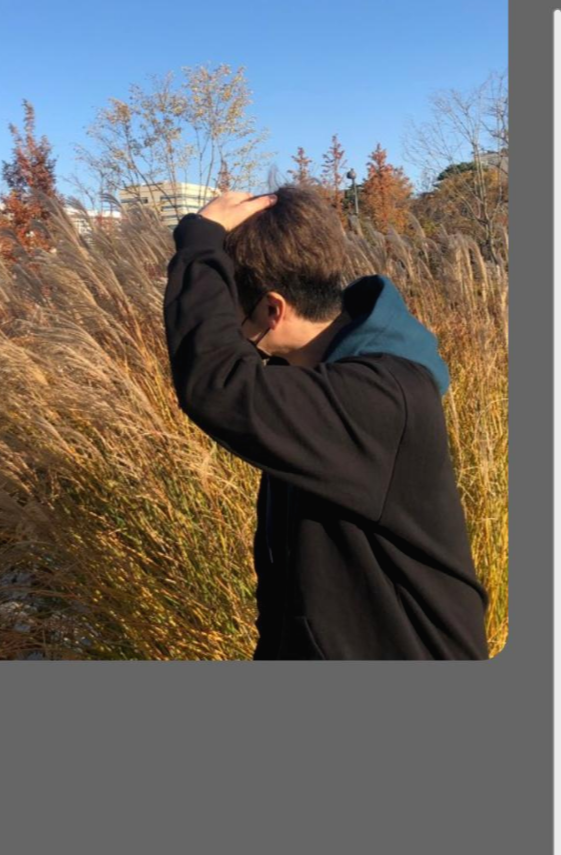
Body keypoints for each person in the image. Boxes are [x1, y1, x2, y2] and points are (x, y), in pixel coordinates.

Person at [163, 184, 489, 660]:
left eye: (231, 319)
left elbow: (220, 386)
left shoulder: (375, 399)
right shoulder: (321, 384)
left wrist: (200, 242)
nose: (230, 335)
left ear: (272, 310)